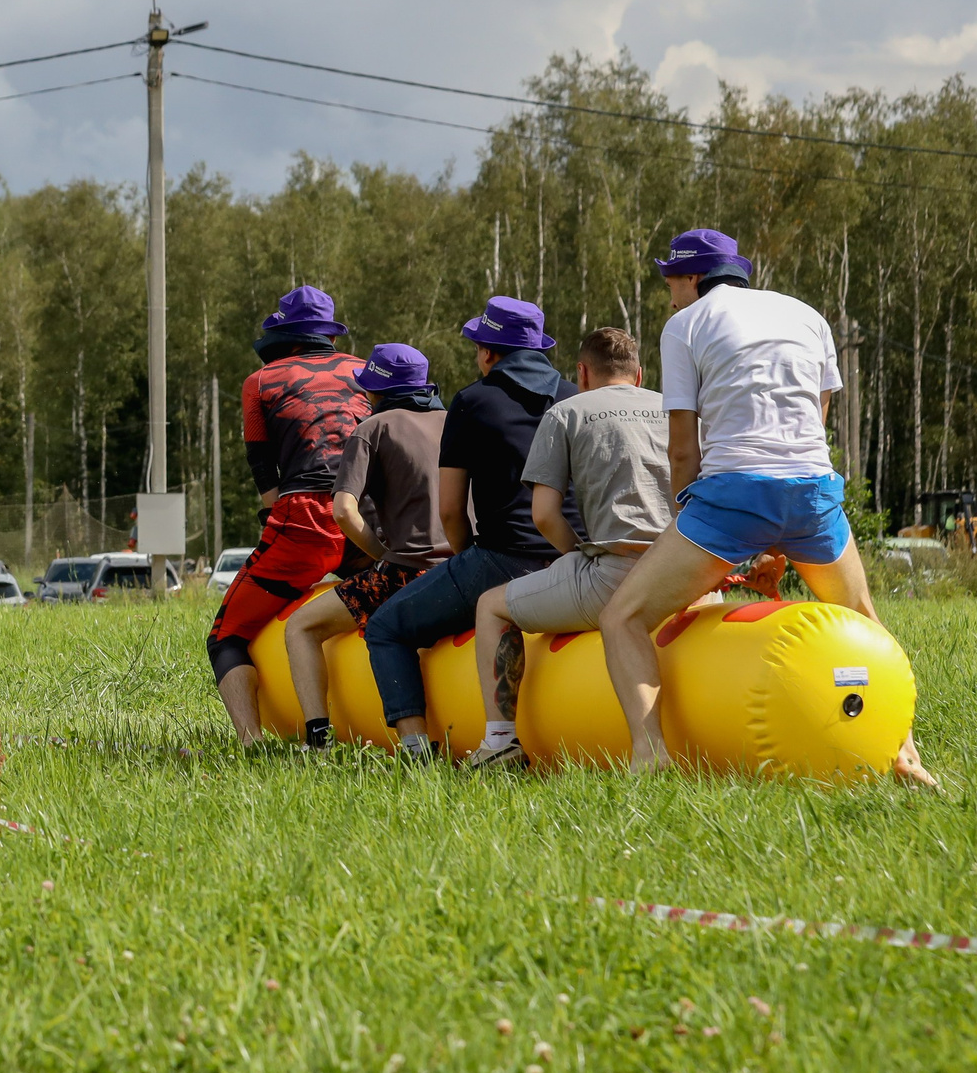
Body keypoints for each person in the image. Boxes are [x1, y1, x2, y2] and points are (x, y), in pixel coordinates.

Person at [597, 229, 935, 785]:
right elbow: (814, 421)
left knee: (622, 617)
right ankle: (904, 752)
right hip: (813, 491)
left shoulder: (684, 326)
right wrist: (784, 526)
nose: (668, 294)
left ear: (692, 278)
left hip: (734, 494)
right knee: (866, 622)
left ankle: (651, 751)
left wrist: (694, 519)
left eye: (670, 281)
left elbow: (682, 445)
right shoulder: (809, 317)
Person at [363, 296, 575, 759]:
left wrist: (461, 562)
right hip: (573, 559)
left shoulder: (473, 401)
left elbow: (452, 510)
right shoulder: (574, 396)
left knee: (385, 628)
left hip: (502, 559)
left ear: (487, 352)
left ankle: (417, 750)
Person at [462, 326, 670, 771]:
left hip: (616, 576)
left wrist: (575, 552)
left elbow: (544, 515)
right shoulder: (675, 408)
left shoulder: (566, 412)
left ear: (581, 373)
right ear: (638, 375)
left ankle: (499, 743)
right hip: (684, 572)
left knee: (490, 607)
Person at [205, 285, 369, 745]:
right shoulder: (365, 370)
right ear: (328, 336)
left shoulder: (260, 382)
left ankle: (251, 742)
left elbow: (262, 466)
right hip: (369, 516)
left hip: (305, 520)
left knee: (226, 636)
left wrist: (270, 523)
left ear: (286, 337)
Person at [284, 343, 446, 749]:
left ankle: (318, 737)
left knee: (300, 627)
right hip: (462, 568)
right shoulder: (454, 422)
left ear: (377, 391)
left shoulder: (372, 429)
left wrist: (380, 556)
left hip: (406, 571)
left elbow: (343, 511)